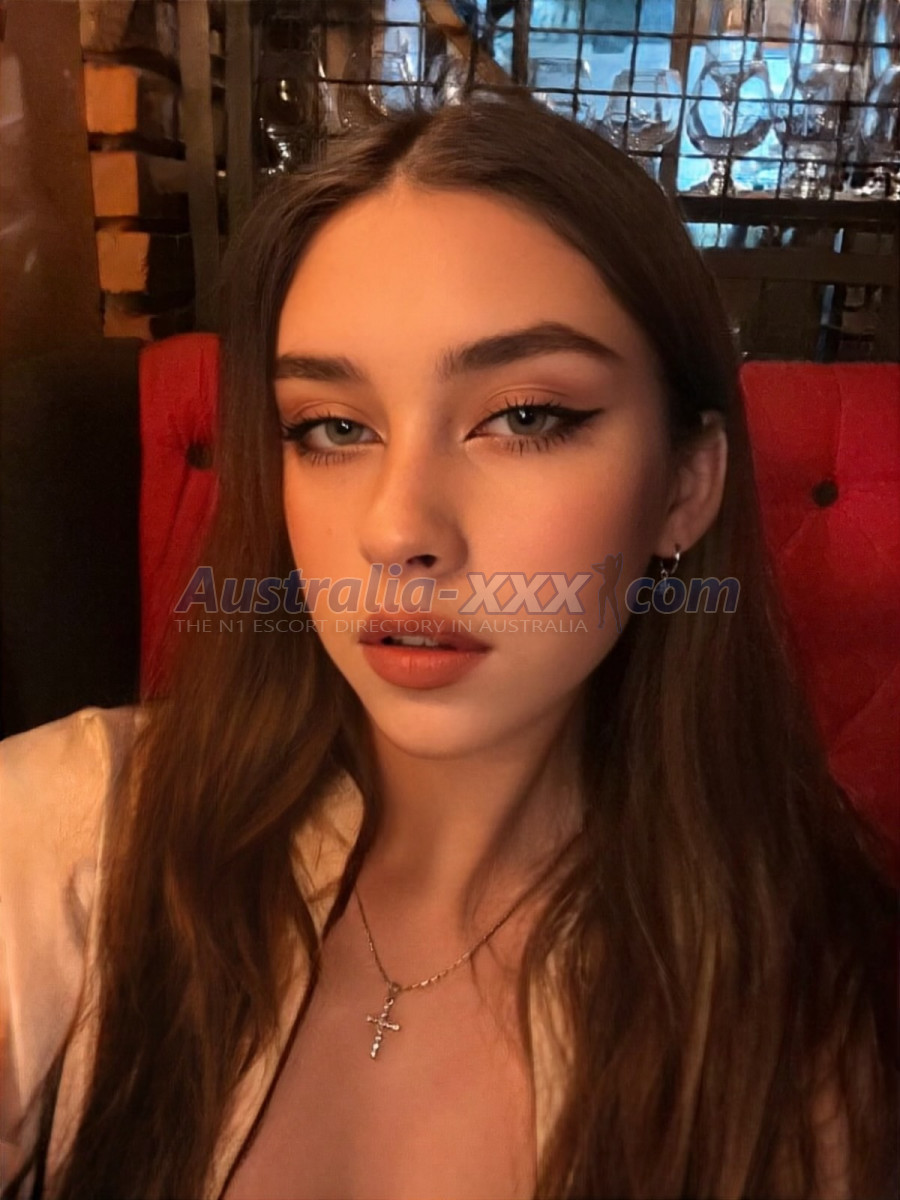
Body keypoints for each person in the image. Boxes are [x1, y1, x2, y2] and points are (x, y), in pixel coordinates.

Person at [0, 90, 896, 1200]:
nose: (397, 529)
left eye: (524, 416)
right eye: (333, 427)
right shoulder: (67, 842)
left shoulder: (793, 993)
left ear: (684, 485)